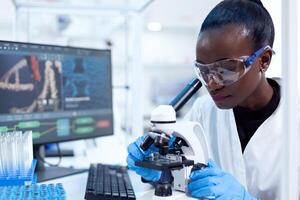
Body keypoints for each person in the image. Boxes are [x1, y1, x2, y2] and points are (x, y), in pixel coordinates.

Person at [127, 0, 282, 199]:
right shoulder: (203, 109)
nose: (212, 84)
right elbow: (185, 180)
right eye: (204, 70)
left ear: (264, 60)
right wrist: (159, 173)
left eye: (226, 69)